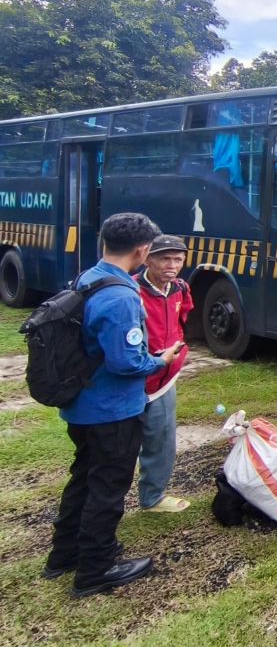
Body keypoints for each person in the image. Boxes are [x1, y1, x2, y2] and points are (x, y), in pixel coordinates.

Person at [45, 213, 185, 597]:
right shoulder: (123, 295)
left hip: (82, 405)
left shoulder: (88, 278)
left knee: (84, 478)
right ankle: (96, 567)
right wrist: (162, 360)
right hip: (112, 409)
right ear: (142, 251)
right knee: (107, 486)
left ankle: (64, 554)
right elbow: (127, 362)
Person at [134, 235, 194, 514]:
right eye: (165, 259)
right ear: (147, 259)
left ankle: (151, 497)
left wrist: (179, 351)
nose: (172, 265)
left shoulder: (180, 288)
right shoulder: (132, 291)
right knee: (121, 447)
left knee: (162, 439)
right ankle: (104, 504)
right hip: (133, 381)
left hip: (164, 381)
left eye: (178, 259)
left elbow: (183, 320)